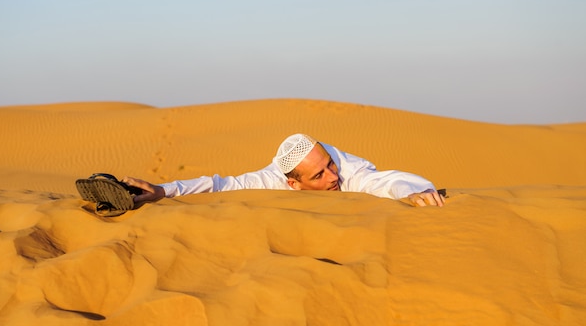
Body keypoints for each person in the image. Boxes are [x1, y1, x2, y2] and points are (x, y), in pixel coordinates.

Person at [123, 133, 445, 207]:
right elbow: (219, 185)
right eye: (318, 176)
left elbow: (388, 181)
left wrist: (413, 193)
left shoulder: (347, 171)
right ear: (293, 184)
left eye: (329, 165)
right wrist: (162, 191)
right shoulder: (271, 180)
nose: (333, 177)